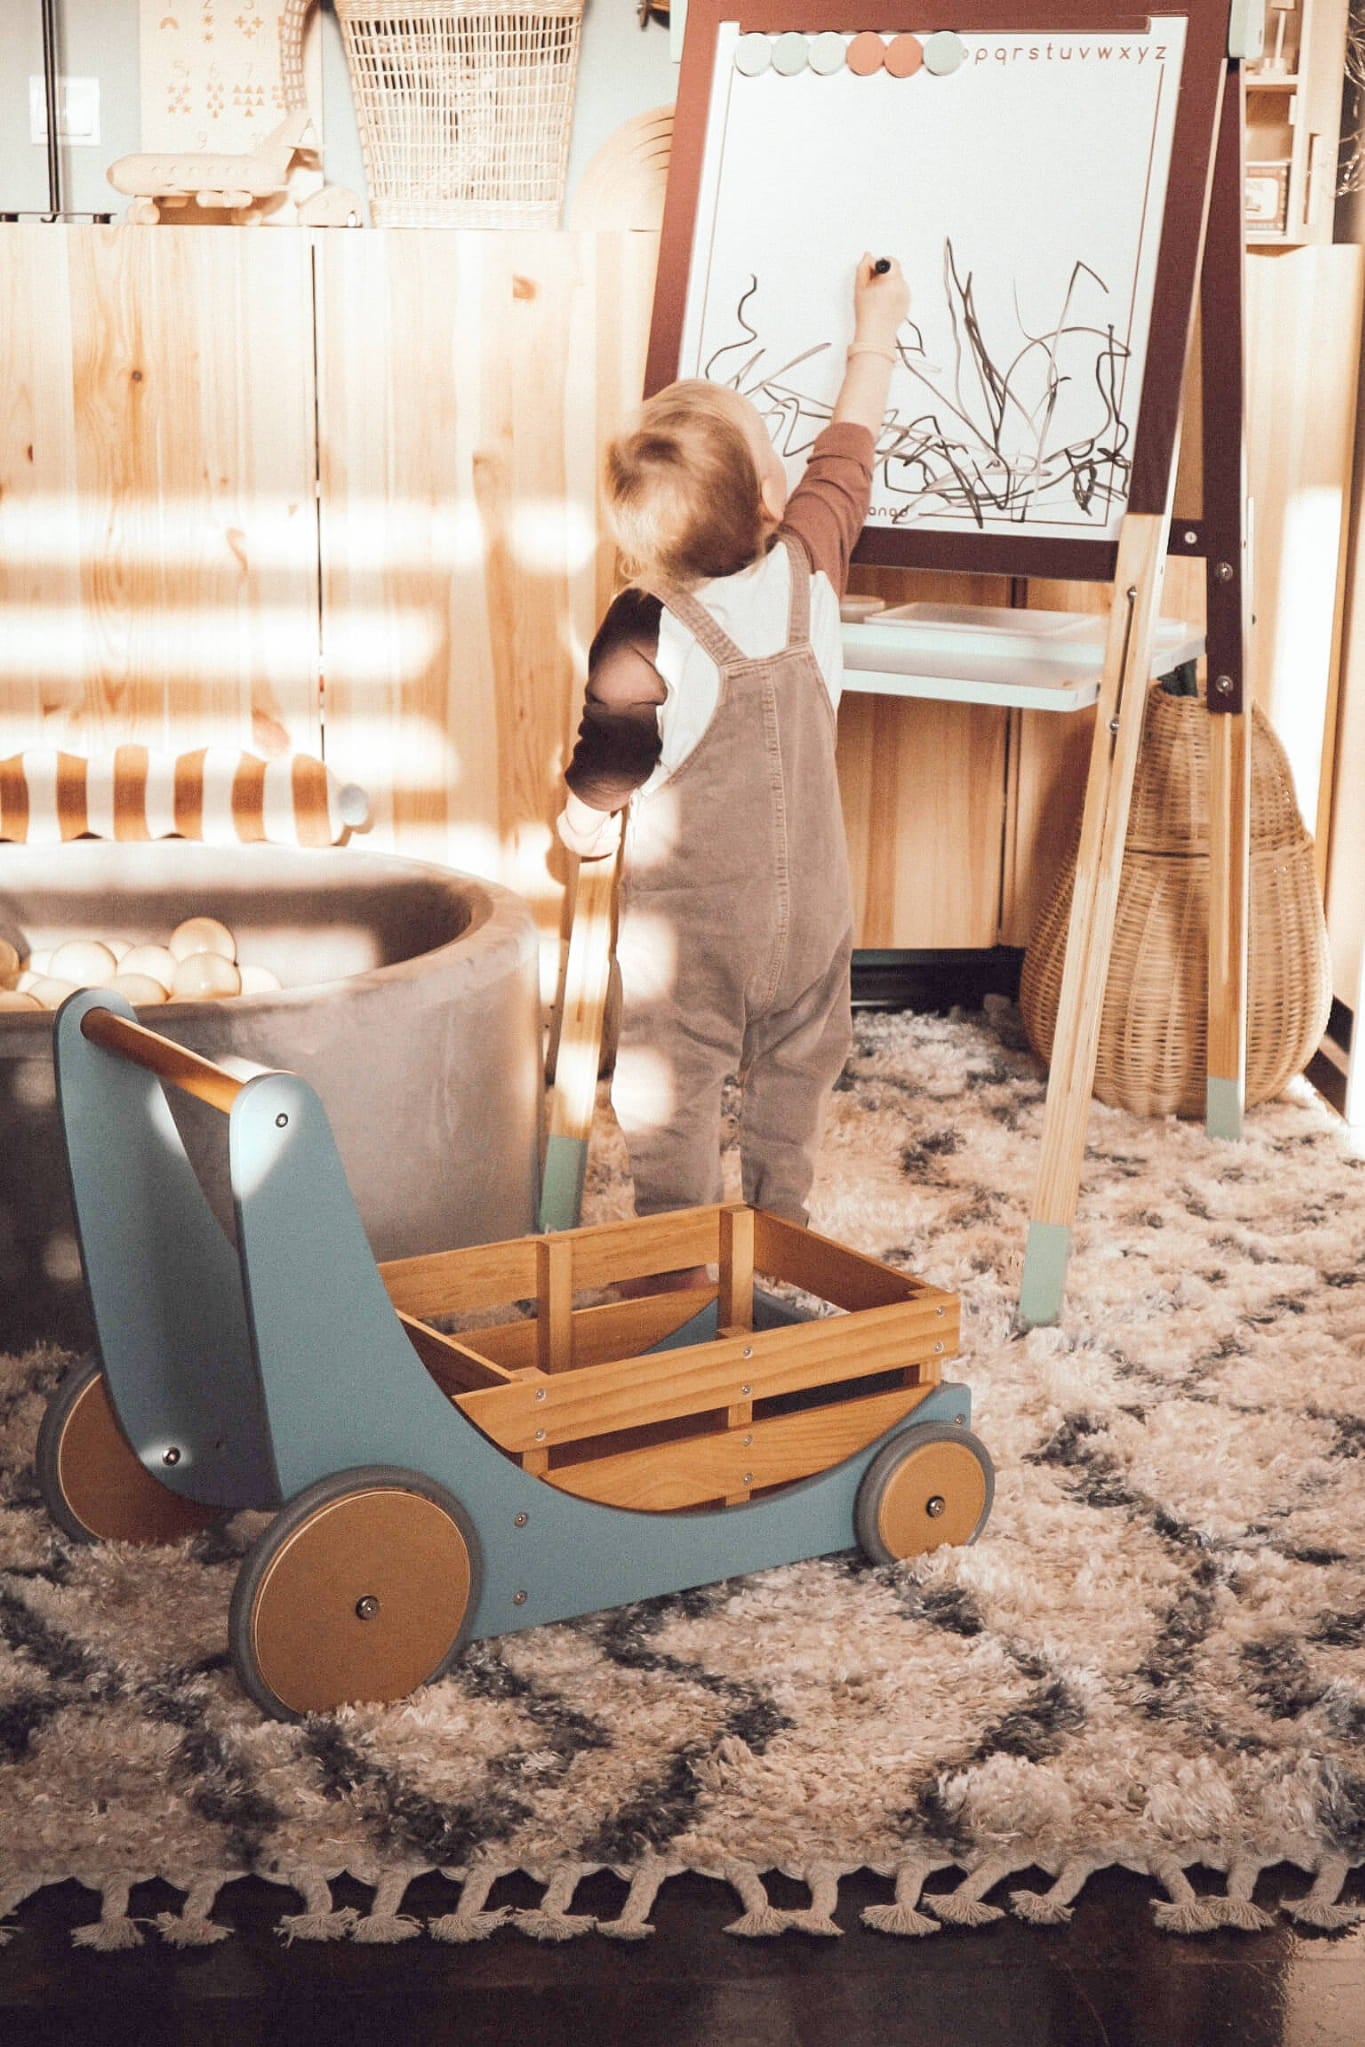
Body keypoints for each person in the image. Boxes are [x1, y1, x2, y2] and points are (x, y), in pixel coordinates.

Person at [557, 254, 909, 1276]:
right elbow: (849, 452)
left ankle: (676, 1260)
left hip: (693, 941)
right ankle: (778, 1229)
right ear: (768, 496)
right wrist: (876, 327)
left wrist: (580, 828)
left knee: (670, 1097)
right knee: (795, 1082)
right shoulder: (812, 566)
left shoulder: (643, 624)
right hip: (814, 925)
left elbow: (609, 762)